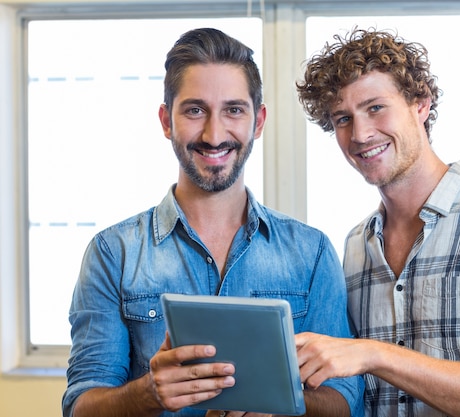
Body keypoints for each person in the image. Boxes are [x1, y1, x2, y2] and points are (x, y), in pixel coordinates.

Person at [62, 28, 363, 417]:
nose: (214, 133)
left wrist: (285, 407)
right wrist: (148, 394)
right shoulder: (112, 253)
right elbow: (80, 407)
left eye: (233, 110)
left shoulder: (312, 252)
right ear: (166, 121)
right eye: (195, 110)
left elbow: (344, 401)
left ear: (258, 122)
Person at [294, 27, 460, 417]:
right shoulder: (356, 246)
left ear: (420, 103)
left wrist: (372, 354)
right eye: (342, 118)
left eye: (375, 107)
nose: (360, 133)